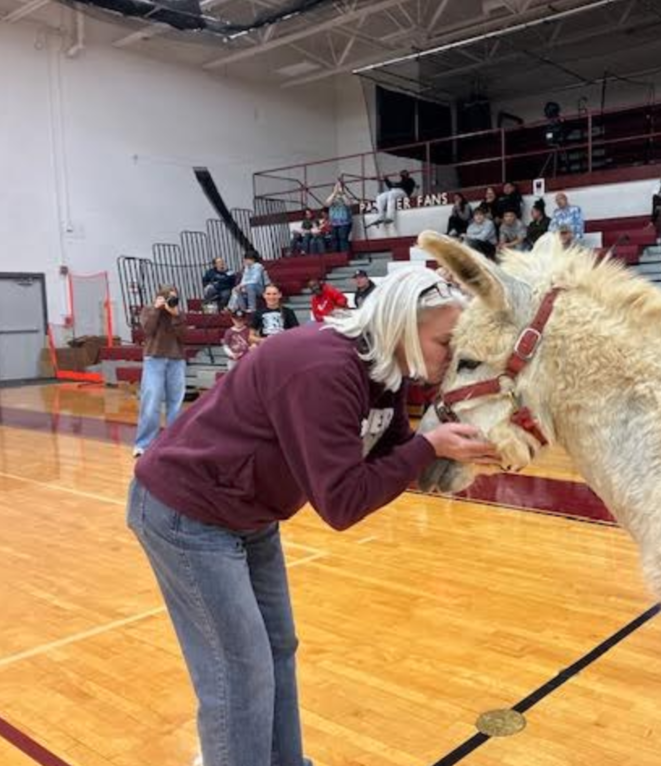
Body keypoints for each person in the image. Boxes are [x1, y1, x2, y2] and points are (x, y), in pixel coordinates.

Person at [127, 269, 499, 766]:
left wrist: (456, 453)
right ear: (403, 325)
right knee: (239, 668)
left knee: (277, 647)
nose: (449, 357)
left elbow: (394, 457)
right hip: (186, 511)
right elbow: (342, 503)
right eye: (443, 343)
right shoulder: (323, 368)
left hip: (249, 513)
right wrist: (428, 446)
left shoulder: (383, 373)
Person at [132, 286, 187, 457]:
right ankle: (143, 444)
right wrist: (156, 309)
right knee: (151, 401)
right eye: (168, 297)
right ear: (159, 297)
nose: (171, 300)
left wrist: (175, 315)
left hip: (176, 359)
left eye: (174, 297)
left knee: (176, 403)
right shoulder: (149, 310)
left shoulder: (178, 313)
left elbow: (184, 336)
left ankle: (174, 442)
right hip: (154, 358)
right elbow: (147, 330)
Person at [324, 182, 353, 253]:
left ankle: (345, 255)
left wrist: (342, 193)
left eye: (339, 186)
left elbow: (349, 203)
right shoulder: (331, 197)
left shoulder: (344, 196)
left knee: (343, 238)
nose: (338, 188)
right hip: (333, 223)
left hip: (344, 223)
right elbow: (326, 204)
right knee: (334, 239)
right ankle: (336, 256)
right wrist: (334, 193)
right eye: (336, 186)